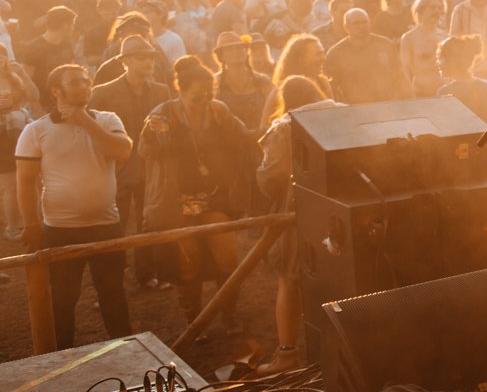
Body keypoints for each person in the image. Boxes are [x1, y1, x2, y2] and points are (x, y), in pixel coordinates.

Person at [15, 64, 134, 349]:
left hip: (107, 225)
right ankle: (61, 357)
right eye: (75, 82)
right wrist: (32, 224)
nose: (84, 86)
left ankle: (129, 353)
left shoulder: (106, 119)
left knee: (113, 293)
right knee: (62, 299)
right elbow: (25, 181)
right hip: (61, 229)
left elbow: (123, 151)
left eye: (86, 81)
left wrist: (85, 122)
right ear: (56, 90)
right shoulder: (36, 130)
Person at [139, 56, 258, 323]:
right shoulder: (162, 114)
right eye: (196, 95)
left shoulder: (218, 110)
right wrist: (150, 134)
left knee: (227, 256)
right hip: (175, 197)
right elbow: (144, 152)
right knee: (188, 260)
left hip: (214, 195)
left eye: (208, 93)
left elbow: (246, 139)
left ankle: (229, 315)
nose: (203, 99)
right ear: (181, 91)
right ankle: (194, 320)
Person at [255, 74, 339, 370]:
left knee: (289, 281)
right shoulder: (344, 113)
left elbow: (269, 178)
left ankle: (287, 355)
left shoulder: (285, 126)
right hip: (339, 211)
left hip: (297, 213)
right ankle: (344, 348)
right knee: (340, 278)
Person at [89, 35, 174, 289]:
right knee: (113, 226)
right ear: (125, 61)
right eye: (141, 57)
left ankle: (146, 274)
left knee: (147, 223)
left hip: (150, 168)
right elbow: (91, 133)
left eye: (150, 57)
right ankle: (111, 279)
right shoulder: (102, 93)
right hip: (116, 169)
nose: (148, 62)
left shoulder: (162, 91)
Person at [324, 8, 406, 104]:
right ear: (346, 27)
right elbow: (331, 87)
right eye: (356, 23)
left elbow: (400, 76)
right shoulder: (336, 53)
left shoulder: (385, 45)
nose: (362, 26)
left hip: (386, 106)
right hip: (354, 108)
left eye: (364, 22)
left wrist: (409, 102)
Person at [0, 41, 39, 242]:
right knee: (9, 183)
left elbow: (34, 95)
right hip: (1, 138)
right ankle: (13, 226)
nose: (0, 58)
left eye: (2, 54)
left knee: (29, 178)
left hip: (20, 131)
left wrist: (22, 74)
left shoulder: (13, 77)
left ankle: (31, 221)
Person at [210, 32, 269, 131]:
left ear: (246, 51)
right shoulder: (214, 84)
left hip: (262, 139)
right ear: (221, 56)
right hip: (231, 141)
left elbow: (276, 110)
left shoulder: (262, 80)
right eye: (229, 49)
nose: (235, 52)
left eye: (239, 47)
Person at [398, 0, 448, 96]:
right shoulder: (409, 38)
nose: (436, 11)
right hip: (421, 94)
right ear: (421, 9)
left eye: (439, 8)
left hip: (444, 93)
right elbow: (405, 72)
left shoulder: (445, 36)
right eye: (432, 7)